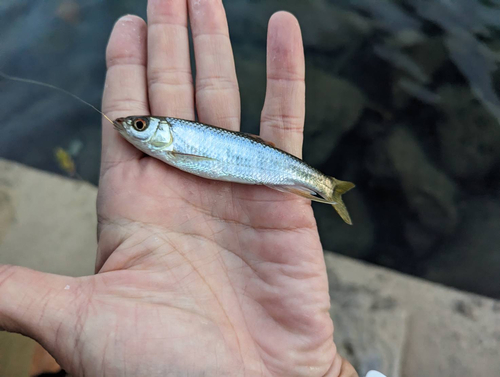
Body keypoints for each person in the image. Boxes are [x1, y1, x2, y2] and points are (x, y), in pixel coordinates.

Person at [0, 1, 372, 376]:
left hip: (262, 164)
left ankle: (327, 188)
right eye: (138, 126)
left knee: (299, 179)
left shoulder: (174, 141)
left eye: (141, 126)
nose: (132, 129)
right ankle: (326, 188)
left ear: (160, 131)